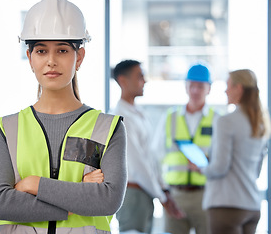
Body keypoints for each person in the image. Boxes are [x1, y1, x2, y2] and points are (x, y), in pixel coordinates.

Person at [0, 0, 127, 234]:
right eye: (41, 51)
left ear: (78, 57)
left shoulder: (107, 128)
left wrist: (32, 184)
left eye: (62, 50)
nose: (51, 61)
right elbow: (0, 203)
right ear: (30, 59)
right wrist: (74, 200)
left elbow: (108, 199)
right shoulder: (6, 130)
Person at [190, 69, 270, 234]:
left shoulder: (226, 121)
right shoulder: (261, 124)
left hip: (227, 206)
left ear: (239, 88)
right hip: (252, 206)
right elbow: (256, 172)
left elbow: (220, 167)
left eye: (228, 86)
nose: (226, 91)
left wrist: (201, 168)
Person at [111, 60, 184, 234]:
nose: (145, 81)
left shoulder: (139, 114)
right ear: (123, 81)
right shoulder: (121, 117)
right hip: (132, 193)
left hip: (146, 192)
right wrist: (161, 196)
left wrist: (163, 190)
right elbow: (138, 165)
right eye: (140, 77)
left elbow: (150, 158)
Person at [153, 63, 219, 234]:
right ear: (185, 87)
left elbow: (223, 159)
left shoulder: (218, 120)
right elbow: (156, 156)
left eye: (200, 86)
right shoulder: (170, 117)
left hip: (205, 195)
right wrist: (163, 194)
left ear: (209, 88)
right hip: (175, 195)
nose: (195, 91)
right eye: (192, 85)